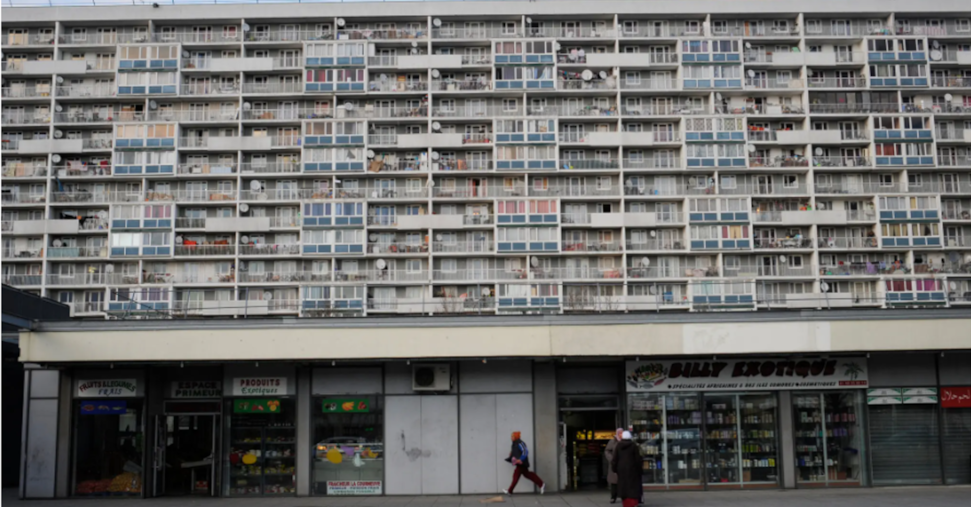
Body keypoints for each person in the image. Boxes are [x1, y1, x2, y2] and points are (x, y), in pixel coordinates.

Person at [502, 431, 545, 495]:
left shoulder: (520, 443)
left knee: (516, 475)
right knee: (527, 474)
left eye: (512, 436)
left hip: (522, 463)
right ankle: (541, 484)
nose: (511, 437)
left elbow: (525, 451)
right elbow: (516, 452)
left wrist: (520, 459)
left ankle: (510, 490)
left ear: (516, 437)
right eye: (511, 436)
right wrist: (511, 455)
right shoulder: (514, 444)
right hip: (519, 462)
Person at [610, 431, 643, 507]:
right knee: (633, 487)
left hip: (621, 469)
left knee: (623, 486)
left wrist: (614, 469)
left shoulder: (618, 446)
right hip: (633, 469)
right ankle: (633, 503)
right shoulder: (634, 446)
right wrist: (640, 470)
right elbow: (637, 459)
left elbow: (615, 459)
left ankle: (625, 503)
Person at [604, 428, 623, 503]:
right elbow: (607, 451)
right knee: (614, 481)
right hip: (614, 463)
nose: (621, 434)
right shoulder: (612, 441)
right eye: (620, 433)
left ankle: (622, 495)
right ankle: (613, 496)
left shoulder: (625, 441)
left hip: (623, 463)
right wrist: (611, 459)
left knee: (622, 481)